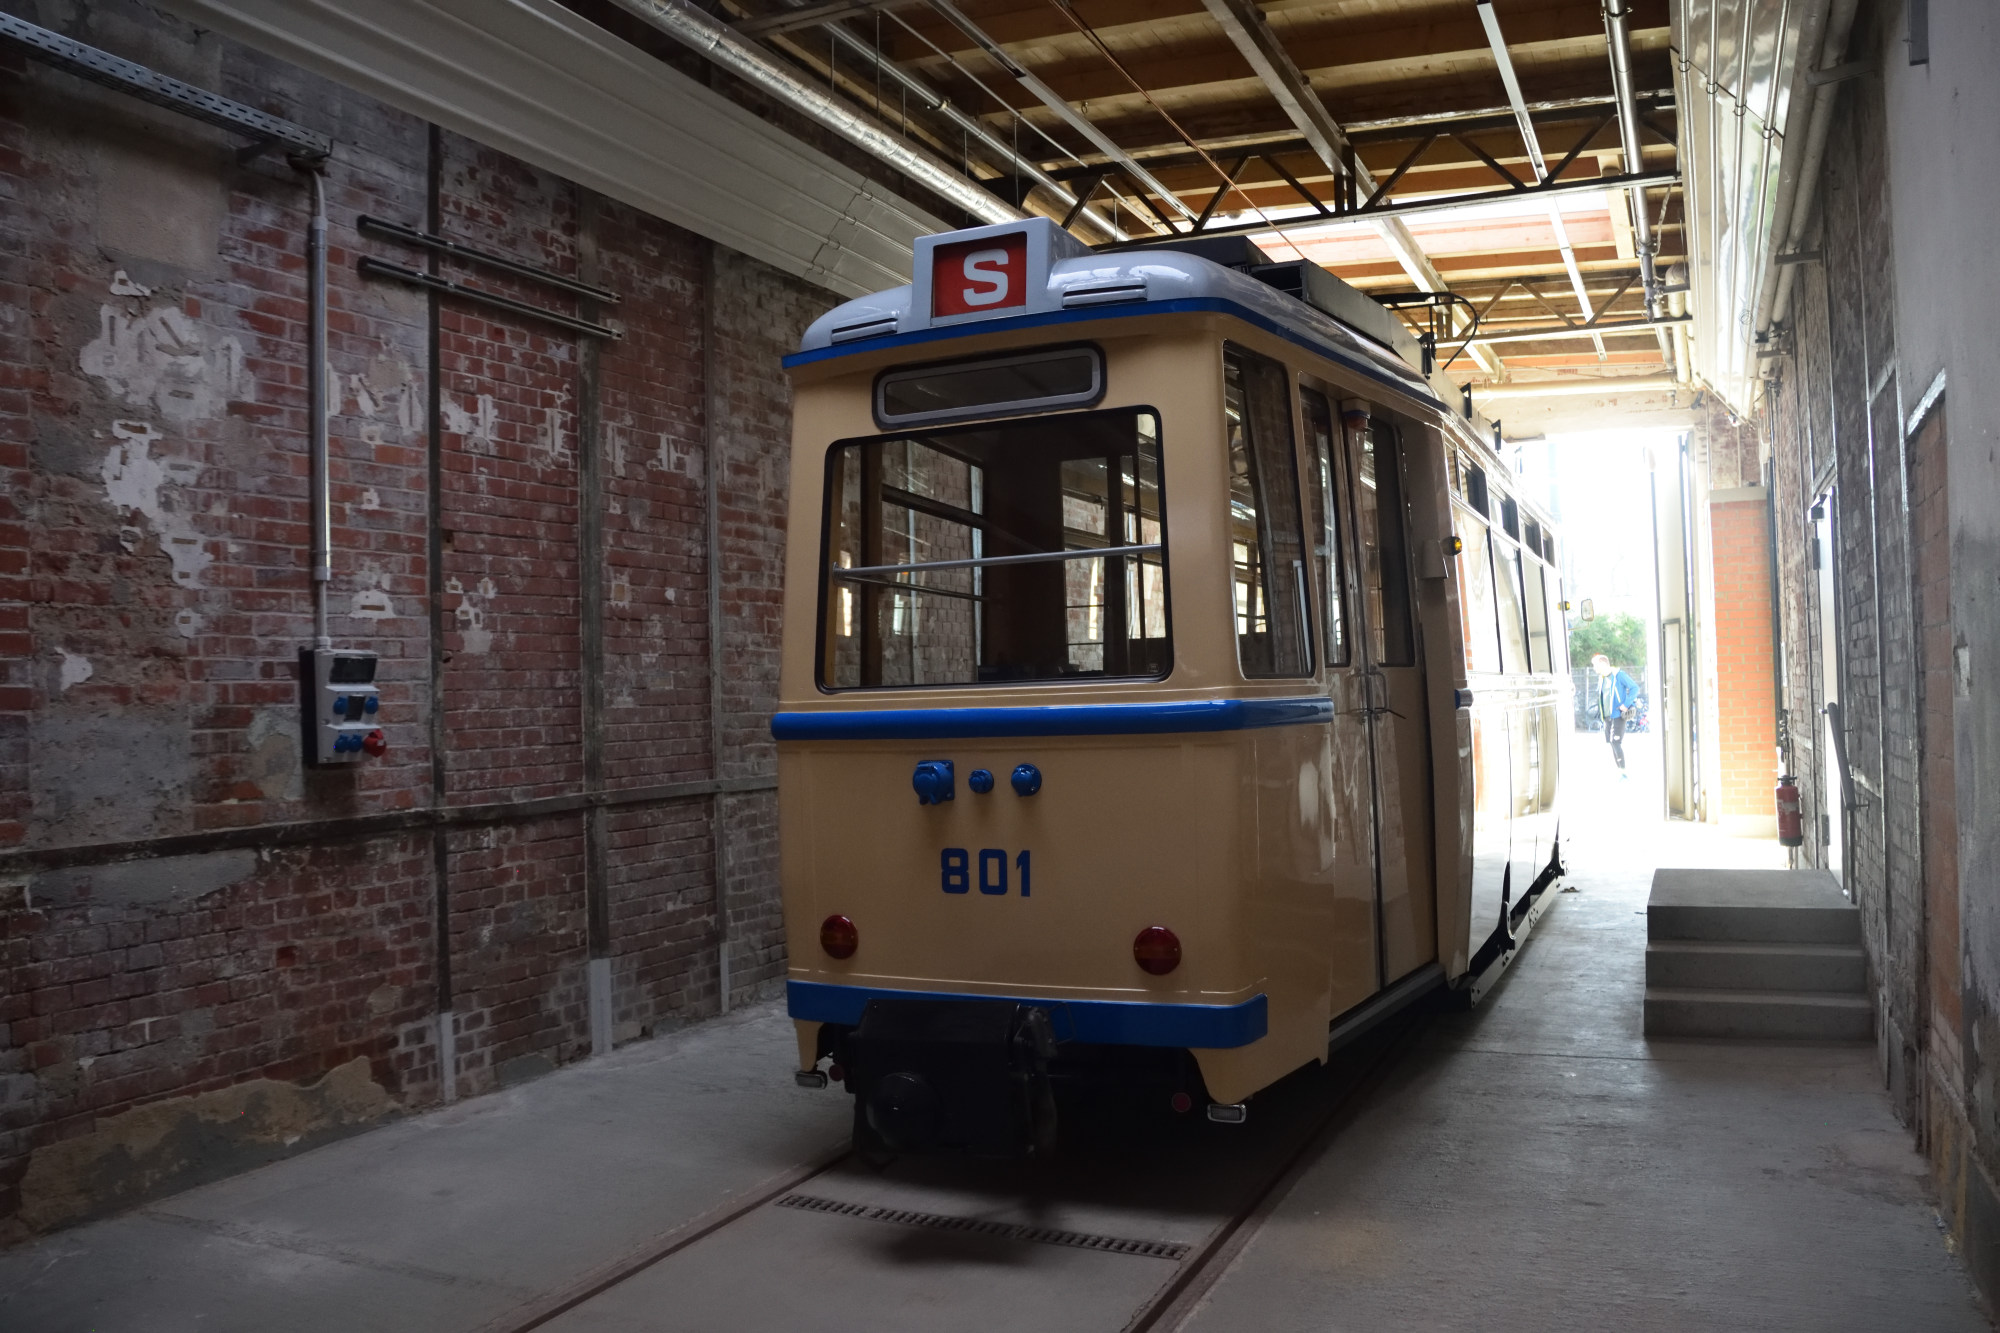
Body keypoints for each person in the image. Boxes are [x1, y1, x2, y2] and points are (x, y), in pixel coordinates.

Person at [1591, 653, 1640, 778]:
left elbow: (1635, 688)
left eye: (1595, 665)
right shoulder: (1602, 678)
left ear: (1602, 664)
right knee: (1612, 743)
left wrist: (1626, 704)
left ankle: (1624, 774)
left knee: (1616, 742)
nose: (1594, 668)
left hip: (1618, 715)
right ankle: (1620, 772)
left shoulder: (1619, 675)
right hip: (1607, 717)